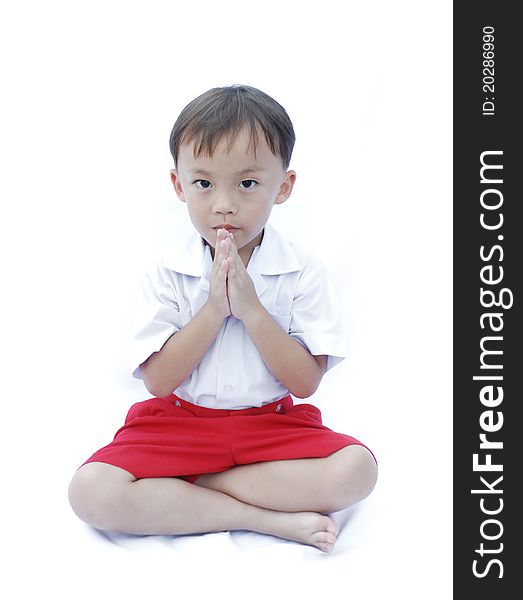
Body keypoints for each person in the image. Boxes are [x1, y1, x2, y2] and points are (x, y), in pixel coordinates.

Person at [68, 84, 377, 553]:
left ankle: (192, 490)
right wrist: (214, 309)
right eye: (204, 183)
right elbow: (158, 382)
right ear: (179, 185)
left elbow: (304, 383)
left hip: (269, 425)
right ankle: (260, 516)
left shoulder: (303, 270)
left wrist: (252, 310)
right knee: (89, 491)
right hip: (181, 423)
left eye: (248, 184)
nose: (224, 204)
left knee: (358, 470)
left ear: (284, 187)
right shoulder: (167, 271)